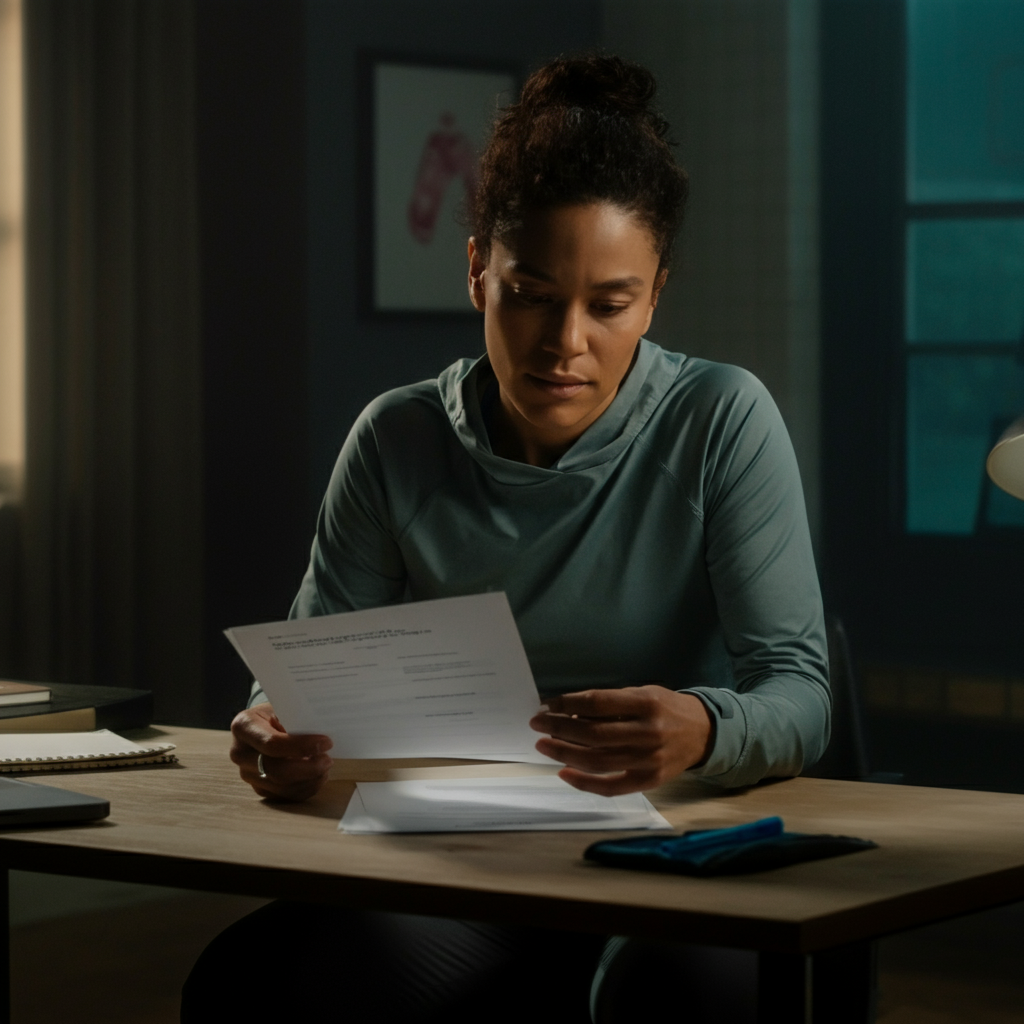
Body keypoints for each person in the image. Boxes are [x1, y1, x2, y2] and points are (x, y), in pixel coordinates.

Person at [181, 54, 829, 1024]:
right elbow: (301, 674)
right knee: (245, 983)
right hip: (463, 864)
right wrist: (273, 727)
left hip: (671, 864)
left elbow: (801, 695)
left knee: (662, 994)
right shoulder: (397, 438)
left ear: (654, 296)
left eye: (610, 303)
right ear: (478, 269)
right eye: (529, 291)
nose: (565, 340)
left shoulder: (720, 420)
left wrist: (703, 723)